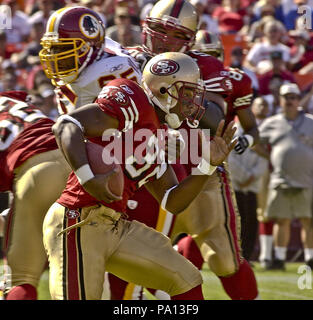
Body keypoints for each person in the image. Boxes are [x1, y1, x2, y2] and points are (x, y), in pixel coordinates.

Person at [44, 52, 237, 300]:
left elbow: (172, 201)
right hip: (77, 220)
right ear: (165, 90)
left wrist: (207, 166)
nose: (192, 102)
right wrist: (88, 178)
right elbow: (67, 124)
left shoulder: (160, 134)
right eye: (187, 93)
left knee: (186, 280)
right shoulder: (132, 98)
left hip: (116, 225)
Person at [110, 0, 260, 300]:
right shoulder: (125, 61)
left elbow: (215, 119)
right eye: (158, 29)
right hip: (145, 174)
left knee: (224, 259)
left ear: (189, 40)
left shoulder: (205, 66)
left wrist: (171, 80)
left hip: (199, 172)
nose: (163, 39)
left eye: (174, 34)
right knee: (132, 259)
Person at [2, 5, 141, 300]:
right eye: (51, 49)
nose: (54, 57)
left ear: (91, 44)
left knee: (33, 275)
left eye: (64, 48)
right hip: (97, 168)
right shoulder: (104, 61)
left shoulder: (99, 75)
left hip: (105, 175)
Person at [0, 91, 71, 300]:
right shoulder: (9, 98)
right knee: (87, 265)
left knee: (20, 277)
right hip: (75, 161)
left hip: (35, 171)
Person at [254, 83, 313, 270]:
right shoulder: (272, 123)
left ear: (299, 99)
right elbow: (255, 141)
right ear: (280, 100)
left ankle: (310, 258)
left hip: (307, 180)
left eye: (294, 97)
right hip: (280, 179)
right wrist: (270, 156)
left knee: (308, 220)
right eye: (286, 97)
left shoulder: (311, 121)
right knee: (281, 219)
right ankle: (278, 258)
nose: (290, 101)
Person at [228, 98, 269, 262]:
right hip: (236, 185)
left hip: (252, 186)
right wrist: (244, 177)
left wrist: (252, 177)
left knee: (251, 222)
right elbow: (231, 158)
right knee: (236, 222)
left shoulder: (260, 133)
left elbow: (264, 157)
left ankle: (247, 257)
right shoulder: (235, 130)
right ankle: (232, 255)